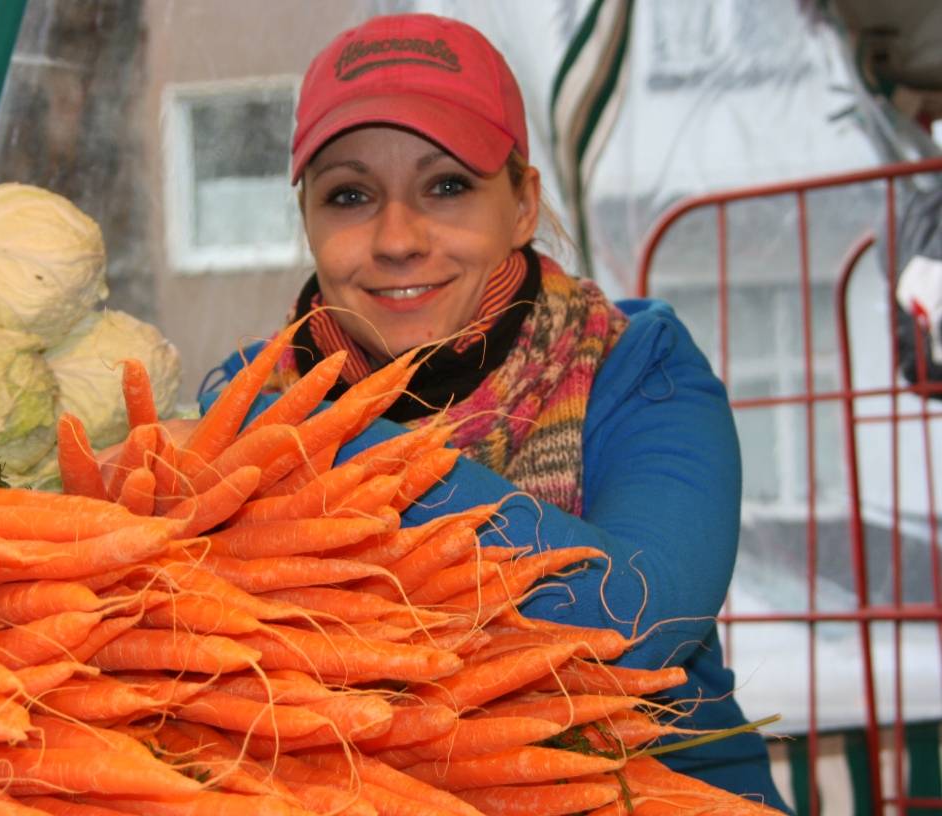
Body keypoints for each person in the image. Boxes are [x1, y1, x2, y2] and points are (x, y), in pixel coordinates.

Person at [198, 12, 792, 812]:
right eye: (349, 195)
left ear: (521, 203)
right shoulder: (243, 403)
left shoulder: (639, 368)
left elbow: (638, 618)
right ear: (307, 220)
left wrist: (313, 441)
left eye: (447, 186)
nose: (398, 238)